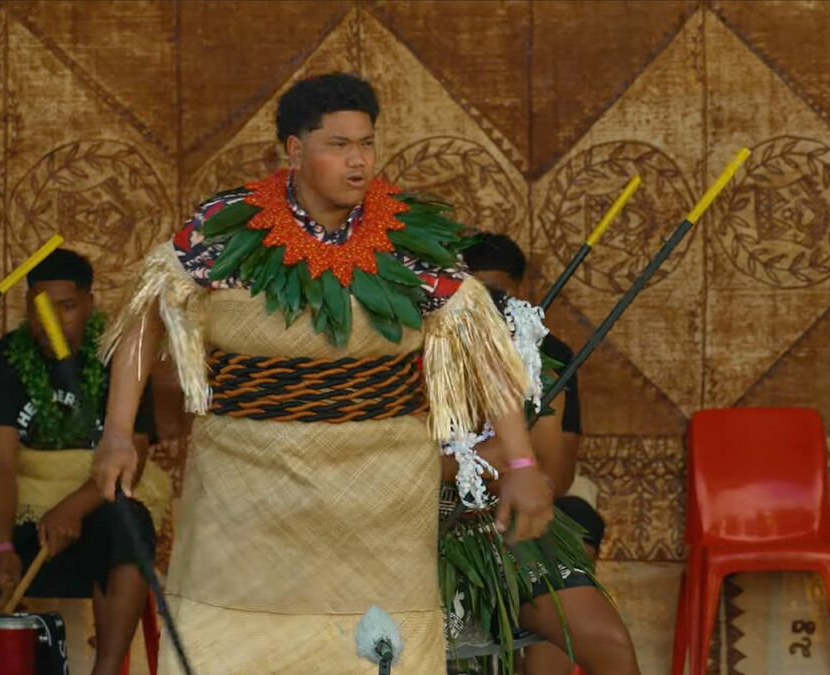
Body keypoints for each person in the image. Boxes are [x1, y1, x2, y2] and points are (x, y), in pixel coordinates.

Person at [91, 72, 553, 673]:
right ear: (295, 150)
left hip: (380, 494)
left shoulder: (404, 239)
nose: (358, 162)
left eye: (366, 144)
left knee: (376, 651)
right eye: (339, 145)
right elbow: (147, 314)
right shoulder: (228, 228)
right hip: (245, 490)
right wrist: (118, 433)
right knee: (229, 646)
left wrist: (520, 463)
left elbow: (481, 346)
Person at [458, 232, 637, 674]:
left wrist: (511, 462)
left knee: (607, 639)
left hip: (514, 516)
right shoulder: (427, 343)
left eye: (497, 294)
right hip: (440, 523)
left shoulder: (543, 353)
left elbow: (553, 476)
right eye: (473, 291)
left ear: (519, 293)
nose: (486, 305)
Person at [0, 249, 166, 675]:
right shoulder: (3, 361)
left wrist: (73, 507)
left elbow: (134, 458)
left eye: (66, 307)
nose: (50, 321)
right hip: (22, 504)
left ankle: (105, 670)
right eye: (39, 307)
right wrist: (3, 547)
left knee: (129, 524)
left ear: (89, 304)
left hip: (97, 499)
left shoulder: (117, 360)